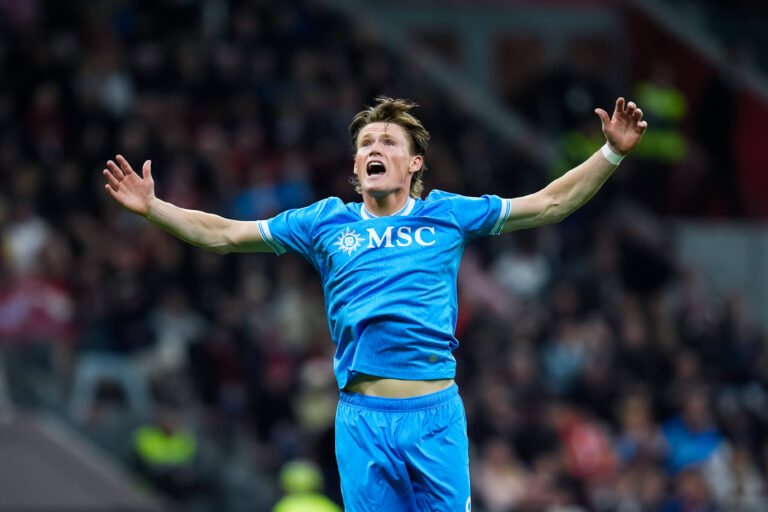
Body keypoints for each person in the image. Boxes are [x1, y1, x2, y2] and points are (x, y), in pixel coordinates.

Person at [103, 96, 646, 511]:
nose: (373, 150)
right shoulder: (323, 222)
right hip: (362, 419)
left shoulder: (447, 215)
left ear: (414, 165)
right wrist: (154, 209)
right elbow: (222, 234)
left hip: (434, 416)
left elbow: (549, 204)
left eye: (387, 142)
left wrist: (610, 153)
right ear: (355, 168)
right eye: (365, 145)